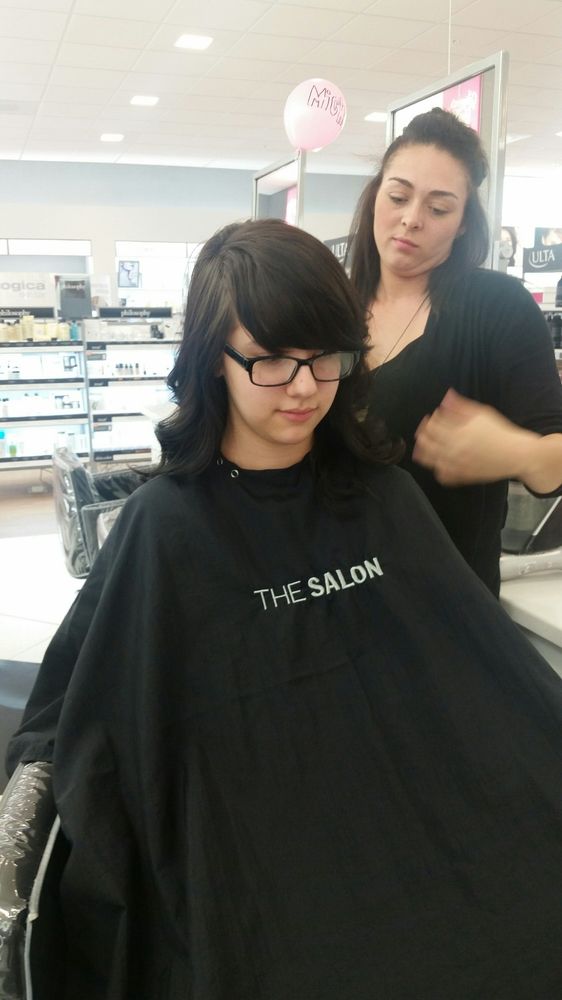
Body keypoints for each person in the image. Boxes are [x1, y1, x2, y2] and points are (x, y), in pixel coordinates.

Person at [7, 219, 562, 999]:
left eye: (324, 356)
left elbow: (483, 679)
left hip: (428, 834)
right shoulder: (165, 528)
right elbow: (97, 725)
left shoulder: (385, 498)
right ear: (215, 359)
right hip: (266, 876)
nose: (305, 386)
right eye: (270, 359)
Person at [348, 107, 562, 594]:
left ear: (464, 223)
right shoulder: (334, 306)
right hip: (336, 590)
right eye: (398, 196)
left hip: (444, 603)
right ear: (376, 195)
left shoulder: (496, 307)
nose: (411, 219)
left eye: (439, 209)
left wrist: (516, 451)